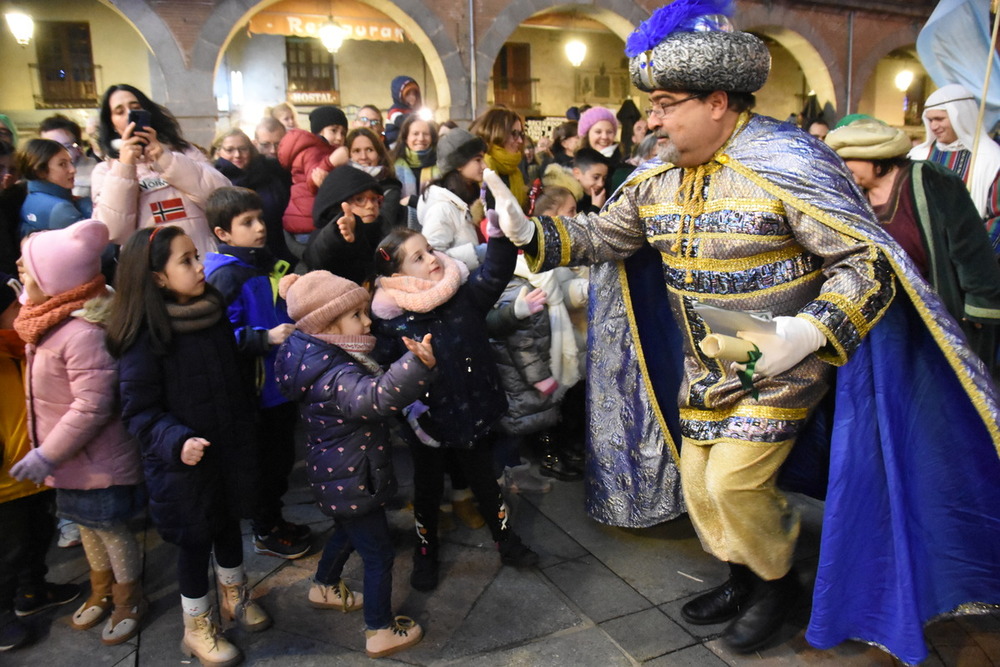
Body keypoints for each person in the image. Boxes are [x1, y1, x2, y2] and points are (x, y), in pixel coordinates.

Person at [484, 1, 1000, 662]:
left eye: (668, 103)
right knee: (699, 483)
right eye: (655, 104)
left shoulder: (788, 161)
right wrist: (532, 233)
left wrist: (808, 334)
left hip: (784, 359)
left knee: (734, 482)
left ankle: (778, 586)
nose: (654, 119)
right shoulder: (654, 179)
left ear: (719, 101)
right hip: (706, 360)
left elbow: (864, 262)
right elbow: (601, 237)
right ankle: (742, 579)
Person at [106, 226, 270, 666]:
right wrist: (177, 441)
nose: (200, 267)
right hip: (183, 464)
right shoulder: (144, 337)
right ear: (157, 277)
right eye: (186, 260)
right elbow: (139, 412)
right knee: (195, 542)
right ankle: (197, 627)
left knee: (229, 523)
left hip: (228, 446)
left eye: (197, 256)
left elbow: (231, 366)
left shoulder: (210, 311)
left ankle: (235, 595)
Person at [371, 227, 540, 592]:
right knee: (428, 489)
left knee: (486, 483)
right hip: (427, 424)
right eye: (418, 257)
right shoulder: (392, 323)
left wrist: (498, 235)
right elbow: (385, 377)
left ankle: (507, 542)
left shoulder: (461, 295)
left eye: (429, 250)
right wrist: (411, 416)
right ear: (397, 277)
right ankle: (426, 550)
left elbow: (494, 273)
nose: (432, 259)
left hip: (472, 413)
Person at [275, 270, 432, 658]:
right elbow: (374, 398)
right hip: (352, 476)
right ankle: (378, 629)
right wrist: (416, 367)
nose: (367, 322)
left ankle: (323, 585)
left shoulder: (313, 354)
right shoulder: (336, 372)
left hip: (339, 473)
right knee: (378, 555)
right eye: (357, 315)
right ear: (327, 324)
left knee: (348, 531)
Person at [11, 220, 144, 645]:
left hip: (95, 460)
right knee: (86, 526)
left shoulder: (83, 332)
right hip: (72, 461)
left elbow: (91, 407)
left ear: (55, 283)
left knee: (110, 527)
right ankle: (100, 589)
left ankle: (128, 596)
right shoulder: (46, 319)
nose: (19, 277)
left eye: (27, 274)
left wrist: (46, 454)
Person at [827, 118, 1000, 377]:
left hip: (939, 310)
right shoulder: (855, 196)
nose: (842, 169)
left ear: (875, 158)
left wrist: (979, 305)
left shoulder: (931, 180)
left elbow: (970, 247)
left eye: (847, 160)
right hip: (887, 320)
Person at [202, 187, 311, 560]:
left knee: (279, 460)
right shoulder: (228, 277)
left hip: (278, 384)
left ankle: (274, 522)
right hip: (259, 392)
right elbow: (219, 337)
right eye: (246, 222)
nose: (259, 227)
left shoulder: (259, 263)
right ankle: (266, 530)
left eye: (260, 218)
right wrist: (263, 338)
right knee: (266, 465)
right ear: (223, 234)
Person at [0, 274, 81, 652]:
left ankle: (33, 590)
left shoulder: (19, 346)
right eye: (13, 307)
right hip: (6, 479)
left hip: (32, 466)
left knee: (37, 535)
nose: (22, 309)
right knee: (8, 551)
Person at [91, 84, 230, 257]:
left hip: (201, 257)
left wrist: (165, 158)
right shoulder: (105, 170)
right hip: (150, 263)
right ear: (111, 124)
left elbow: (221, 197)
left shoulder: (185, 152)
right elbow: (113, 231)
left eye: (135, 108)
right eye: (119, 112)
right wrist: (125, 166)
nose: (129, 115)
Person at [909, 84, 1000, 249]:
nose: (934, 127)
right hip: (923, 256)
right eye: (930, 120)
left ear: (961, 117)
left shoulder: (991, 159)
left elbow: (998, 216)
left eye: (939, 119)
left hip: (972, 255)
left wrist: (976, 256)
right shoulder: (917, 156)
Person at [211, 128, 293, 264]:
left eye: (243, 149)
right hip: (238, 258)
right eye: (230, 150)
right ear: (218, 152)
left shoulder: (269, 173)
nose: (237, 155)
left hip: (279, 248)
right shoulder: (215, 180)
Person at [278, 108, 349, 263]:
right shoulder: (315, 150)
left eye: (343, 133)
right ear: (319, 131)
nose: (339, 137)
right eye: (333, 130)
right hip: (308, 222)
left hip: (304, 220)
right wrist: (331, 162)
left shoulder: (319, 150)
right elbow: (313, 180)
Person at [417, 128, 488, 270]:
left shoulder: (468, 198)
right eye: (478, 160)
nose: (484, 166)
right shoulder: (442, 207)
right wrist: (476, 253)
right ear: (460, 164)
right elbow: (432, 257)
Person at [305, 165, 387, 285]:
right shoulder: (323, 235)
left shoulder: (383, 229)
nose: (370, 206)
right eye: (359, 199)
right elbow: (316, 257)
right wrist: (337, 232)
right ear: (338, 204)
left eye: (374, 199)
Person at [17, 139, 87, 238]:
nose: (73, 170)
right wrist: (88, 208)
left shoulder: (31, 198)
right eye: (62, 164)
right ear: (40, 171)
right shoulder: (60, 208)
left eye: (71, 162)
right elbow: (104, 249)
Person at [345, 127, 404, 229]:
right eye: (356, 151)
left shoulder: (390, 187)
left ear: (379, 154)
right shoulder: (339, 185)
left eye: (369, 150)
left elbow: (384, 226)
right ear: (347, 155)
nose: (363, 156)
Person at [471, 108, 527, 211]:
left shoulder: (514, 171)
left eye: (521, 134)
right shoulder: (480, 167)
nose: (519, 140)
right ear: (496, 133)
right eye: (514, 134)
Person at [391, 115, 439, 228]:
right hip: (400, 227)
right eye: (415, 134)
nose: (421, 138)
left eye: (426, 134)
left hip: (434, 225)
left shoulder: (441, 165)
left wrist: (412, 200)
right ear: (406, 137)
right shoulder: (392, 166)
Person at [39, 114, 100, 201]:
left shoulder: (97, 174)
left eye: (65, 146)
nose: (55, 153)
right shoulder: (38, 176)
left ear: (79, 148)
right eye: (47, 148)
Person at [571, 148, 609, 214]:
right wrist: (595, 208)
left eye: (604, 178)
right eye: (596, 177)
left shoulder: (601, 196)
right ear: (577, 173)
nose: (601, 184)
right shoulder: (565, 199)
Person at [386, 76, 422, 146]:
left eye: (415, 94)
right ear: (401, 96)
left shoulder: (414, 110)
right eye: (408, 94)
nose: (413, 97)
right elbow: (401, 121)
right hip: (395, 141)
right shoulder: (394, 111)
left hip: (408, 140)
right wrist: (415, 117)